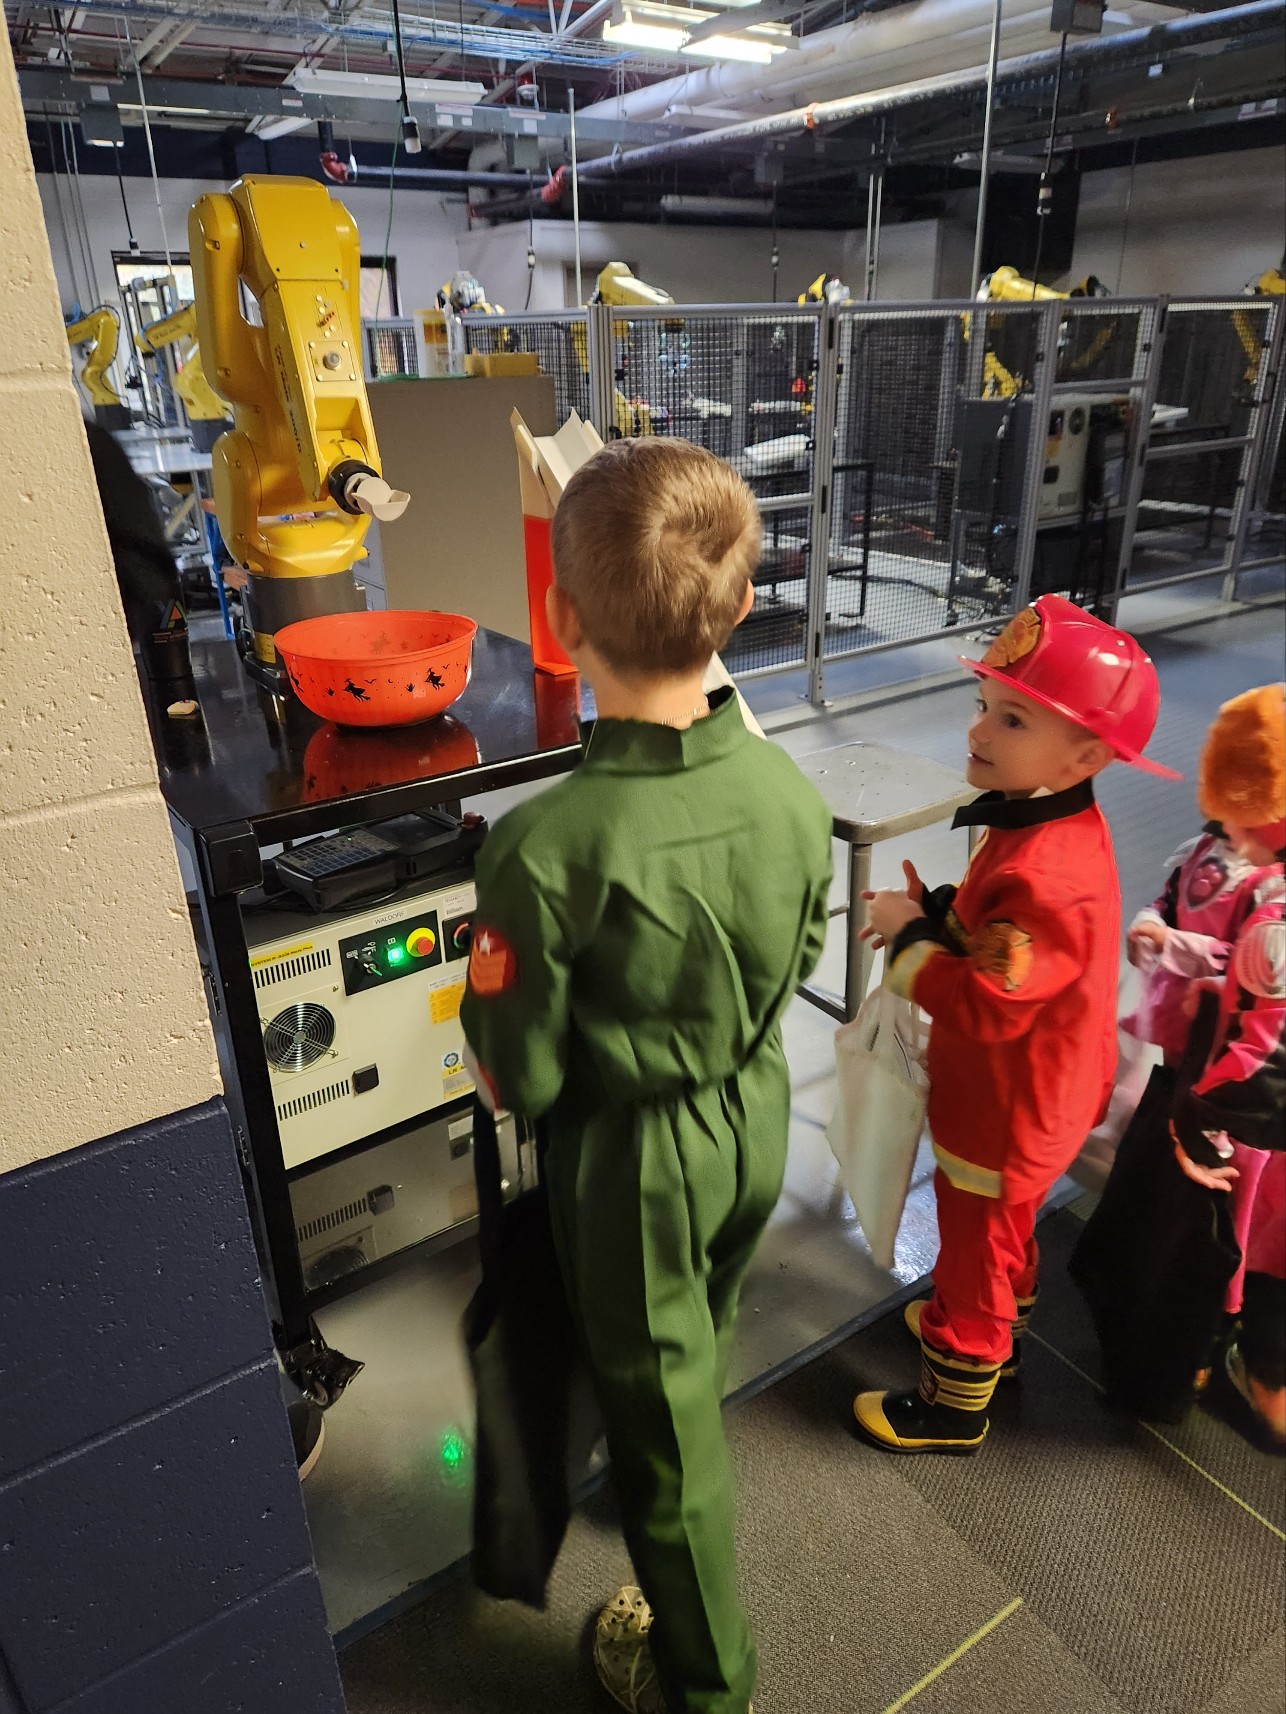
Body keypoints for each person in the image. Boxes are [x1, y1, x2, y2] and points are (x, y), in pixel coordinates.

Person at [460, 437, 834, 1714]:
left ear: (557, 622)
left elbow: (521, 1067)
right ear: (739, 607)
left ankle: (705, 1681)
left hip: (633, 1166)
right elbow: (799, 953)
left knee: (673, 1441)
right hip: (757, 1111)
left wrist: (502, 1056)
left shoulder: (540, 844)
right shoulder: (788, 794)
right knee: (697, 1327)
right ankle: (652, 1428)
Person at [852, 595, 1179, 1455]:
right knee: (1006, 1230)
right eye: (985, 707)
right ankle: (1005, 1320)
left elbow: (991, 1001)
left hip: (1007, 1108)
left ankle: (956, 1395)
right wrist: (940, 911)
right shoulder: (1050, 821)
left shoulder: (1048, 873)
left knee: (969, 1246)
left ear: (1087, 754)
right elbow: (1006, 947)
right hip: (1044, 1092)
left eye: (1014, 717)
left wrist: (908, 933)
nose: (981, 732)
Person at [1170, 684, 1285, 1445]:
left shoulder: (1274, 923)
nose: (1229, 840)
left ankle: (1254, 1384)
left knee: (1254, 1247)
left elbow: (1264, 1054)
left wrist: (1195, 1113)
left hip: (1263, 1132)